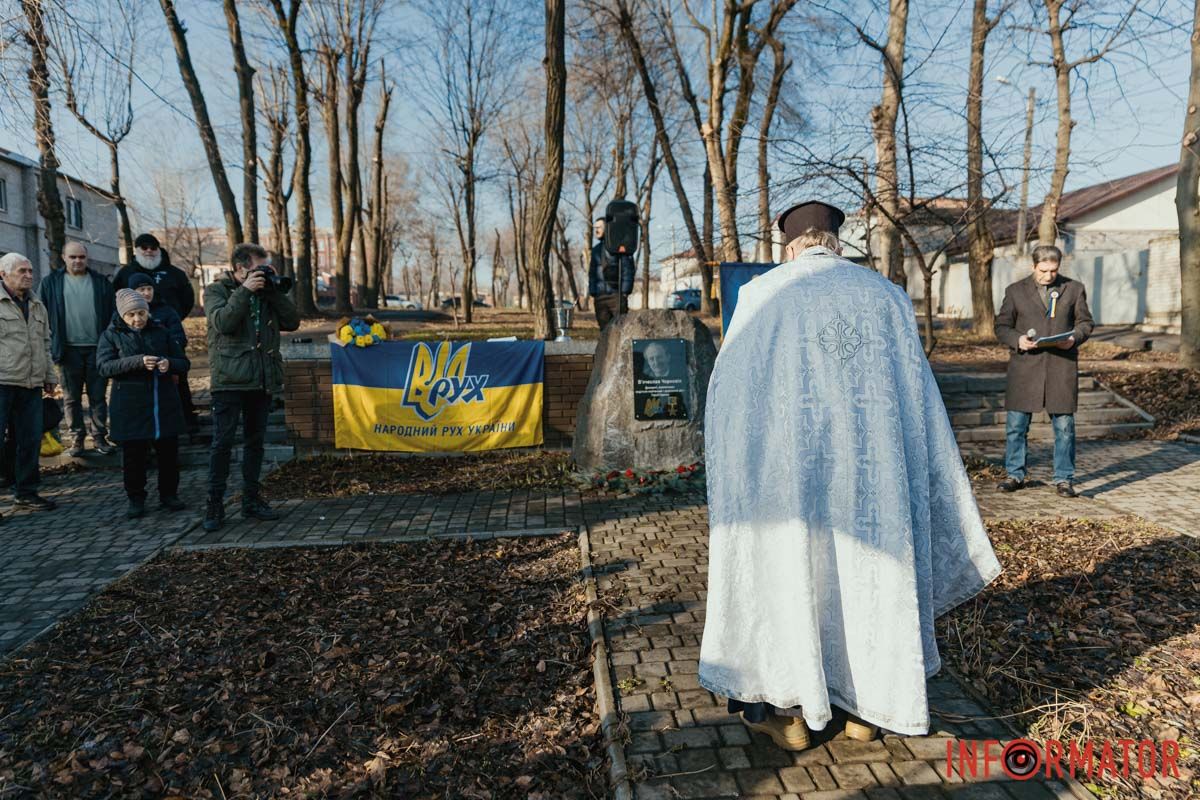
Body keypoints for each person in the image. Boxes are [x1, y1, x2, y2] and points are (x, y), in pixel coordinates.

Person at [698, 202, 1001, 750]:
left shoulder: (764, 295)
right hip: (872, 484)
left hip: (790, 482)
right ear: (835, 242)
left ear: (789, 247)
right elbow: (917, 400)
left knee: (794, 578)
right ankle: (869, 709)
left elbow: (729, 400)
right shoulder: (884, 296)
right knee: (867, 580)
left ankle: (792, 713)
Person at [203, 242, 300, 532]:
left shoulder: (266, 292)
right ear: (241, 268)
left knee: (255, 443)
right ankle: (215, 503)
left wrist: (272, 290)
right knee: (222, 444)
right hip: (229, 380)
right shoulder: (216, 291)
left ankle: (251, 499)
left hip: (261, 379)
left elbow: (292, 321)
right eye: (260, 267)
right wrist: (245, 290)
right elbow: (223, 322)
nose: (265, 272)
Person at [994, 244, 1094, 498]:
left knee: (1064, 428)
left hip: (1061, 368)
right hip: (1025, 369)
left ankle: (1064, 479)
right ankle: (1015, 474)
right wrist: (1017, 340)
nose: (1048, 276)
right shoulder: (1015, 291)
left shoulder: (1074, 289)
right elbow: (1002, 326)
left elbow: (1085, 322)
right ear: (1033, 266)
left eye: (1053, 270)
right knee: (1016, 426)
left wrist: (1074, 338)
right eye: (1043, 270)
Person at [97, 290, 189, 518]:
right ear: (122, 316)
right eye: (131, 315)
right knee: (134, 456)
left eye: (141, 313)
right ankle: (136, 498)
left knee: (168, 453)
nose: (137, 319)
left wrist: (170, 363)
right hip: (130, 405)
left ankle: (169, 494)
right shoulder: (110, 335)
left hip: (162, 403)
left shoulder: (161, 331)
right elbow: (104, 367)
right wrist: (137, 362)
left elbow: (183, 363)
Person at [37, 241, 116, 456]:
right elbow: (39, 315)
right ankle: (77, 439)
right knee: (71, 398)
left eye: (81, 257)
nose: (77, 261)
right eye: (73, 257)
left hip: (97, 349)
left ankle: (100, 437)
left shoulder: (100, 282)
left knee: (98, 396)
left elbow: (112, 314)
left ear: (86, 258)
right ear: (64, 257)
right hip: (67, 350)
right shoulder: (50, 283)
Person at [114, 233, 199, 432]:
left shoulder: (174, 273)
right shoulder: (125, 274)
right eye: (144, 247)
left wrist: (176, 317)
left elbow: (187, 298)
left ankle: (186, 421)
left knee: (178, 382)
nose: (149, 251)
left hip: (170, 336)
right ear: (137, 250)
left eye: (153, 247)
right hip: (135, 343)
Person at [0, 252, 58, 520]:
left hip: (31, 384)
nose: (29, 276)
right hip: (2, 382)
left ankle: (26, 493)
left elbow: (45, 344)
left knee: (30, 440)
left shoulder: (37, 305)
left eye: (31, 271)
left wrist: (49, 376)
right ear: (3, 274)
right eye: (22, 271)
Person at [588, 218, 635, 329]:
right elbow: (592, 273)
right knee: (604, 331)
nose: (596, 230)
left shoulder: (619, 247)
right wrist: (593, 291)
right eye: (595, 228)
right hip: (600, 297)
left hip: (616, 295)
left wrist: (624, 292)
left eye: (599, 227)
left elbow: (627, 270)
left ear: (607, 228)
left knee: (620, 329)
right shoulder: (595, 250)